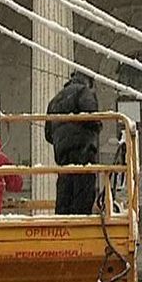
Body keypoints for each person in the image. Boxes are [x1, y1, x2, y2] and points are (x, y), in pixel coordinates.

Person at [45, 71, 102, 214]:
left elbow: (48, 134)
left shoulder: (55, 100)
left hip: (62, 153)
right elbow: (92, 117)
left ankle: (63, 217)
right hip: (83, 148)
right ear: (88, 81)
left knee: (65, 186)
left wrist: (62, 139)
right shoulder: (83, 91)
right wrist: (97, 127)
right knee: (83, 190)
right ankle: (81, 218)